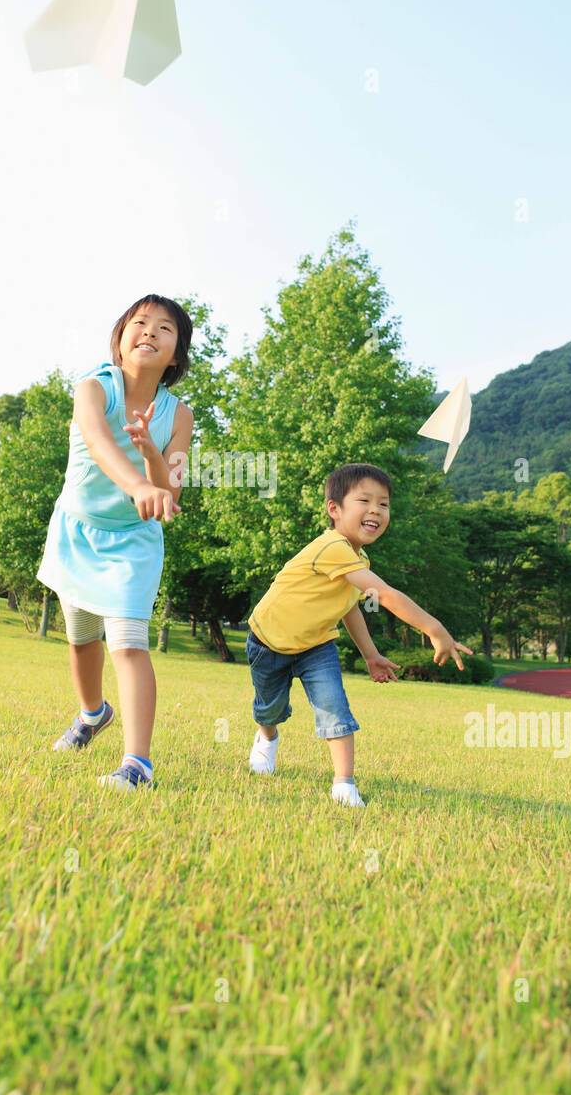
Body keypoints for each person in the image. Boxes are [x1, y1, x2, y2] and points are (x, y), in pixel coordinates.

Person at [246, 462, 473, 805]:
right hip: (268, 642)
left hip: (317, 646)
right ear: (334, 509)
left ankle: (344, 784)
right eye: (364, 501)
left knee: (334, 707)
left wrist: (370, 654)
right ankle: (267, 738)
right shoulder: (332, 547)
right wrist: (434, 628)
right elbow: (386, 596)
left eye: (384, 504)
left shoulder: (358, 560)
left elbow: (350, 606)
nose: (376, 510)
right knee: (270, 709)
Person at [37, 294, 194, 790]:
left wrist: (152, 453)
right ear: (121, 339)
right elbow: (101, 444)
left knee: (128, 644)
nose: (149, 331)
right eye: (139, 322)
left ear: (176, 355)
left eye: (164, 328)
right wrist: (139, 485)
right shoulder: (92, 389)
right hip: (77, 529)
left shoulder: (179, 416)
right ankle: (91, 714)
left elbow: (170, 489)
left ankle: (137, 764)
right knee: (82, 639)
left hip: (133, 542)